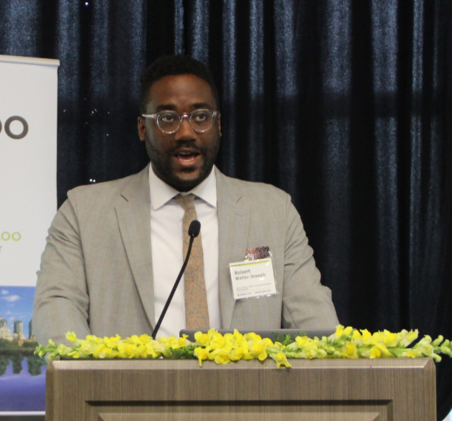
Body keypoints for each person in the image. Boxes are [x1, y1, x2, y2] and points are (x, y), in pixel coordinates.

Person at [33, 55, 338, 345]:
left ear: (218, 125)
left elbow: (315, 322)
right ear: (142, 128)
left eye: (200, 116)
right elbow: (57, 312)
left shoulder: (273, 210)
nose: (186, 132)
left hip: (244, 396)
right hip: (129, 395)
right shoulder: (84, 212)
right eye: (167, 118)